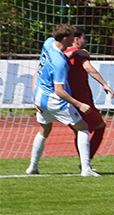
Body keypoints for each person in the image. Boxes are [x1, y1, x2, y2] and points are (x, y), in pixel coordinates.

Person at [26, 24, 100, 177]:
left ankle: (32, 166)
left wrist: (34, 97)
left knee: (44, 130)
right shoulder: (60, 63)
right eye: (73, 37)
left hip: (40, 96)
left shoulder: (48, 42)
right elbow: (59, 91)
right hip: (54, 100)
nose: (75, 40)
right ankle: (86, 169)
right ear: (66, 38)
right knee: (83, 127)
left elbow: (39, 71)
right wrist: (80, 104)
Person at [64, 28, 114, 167]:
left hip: (65, 98)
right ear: (76, 39)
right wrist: (104, 84)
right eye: (84, 38)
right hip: (82, 99)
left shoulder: (60, 53)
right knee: (100, 126)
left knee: (78, 130)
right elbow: (89, 68)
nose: (85, 41)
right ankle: (86, 161)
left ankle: (84, 162)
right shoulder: (81, 54)